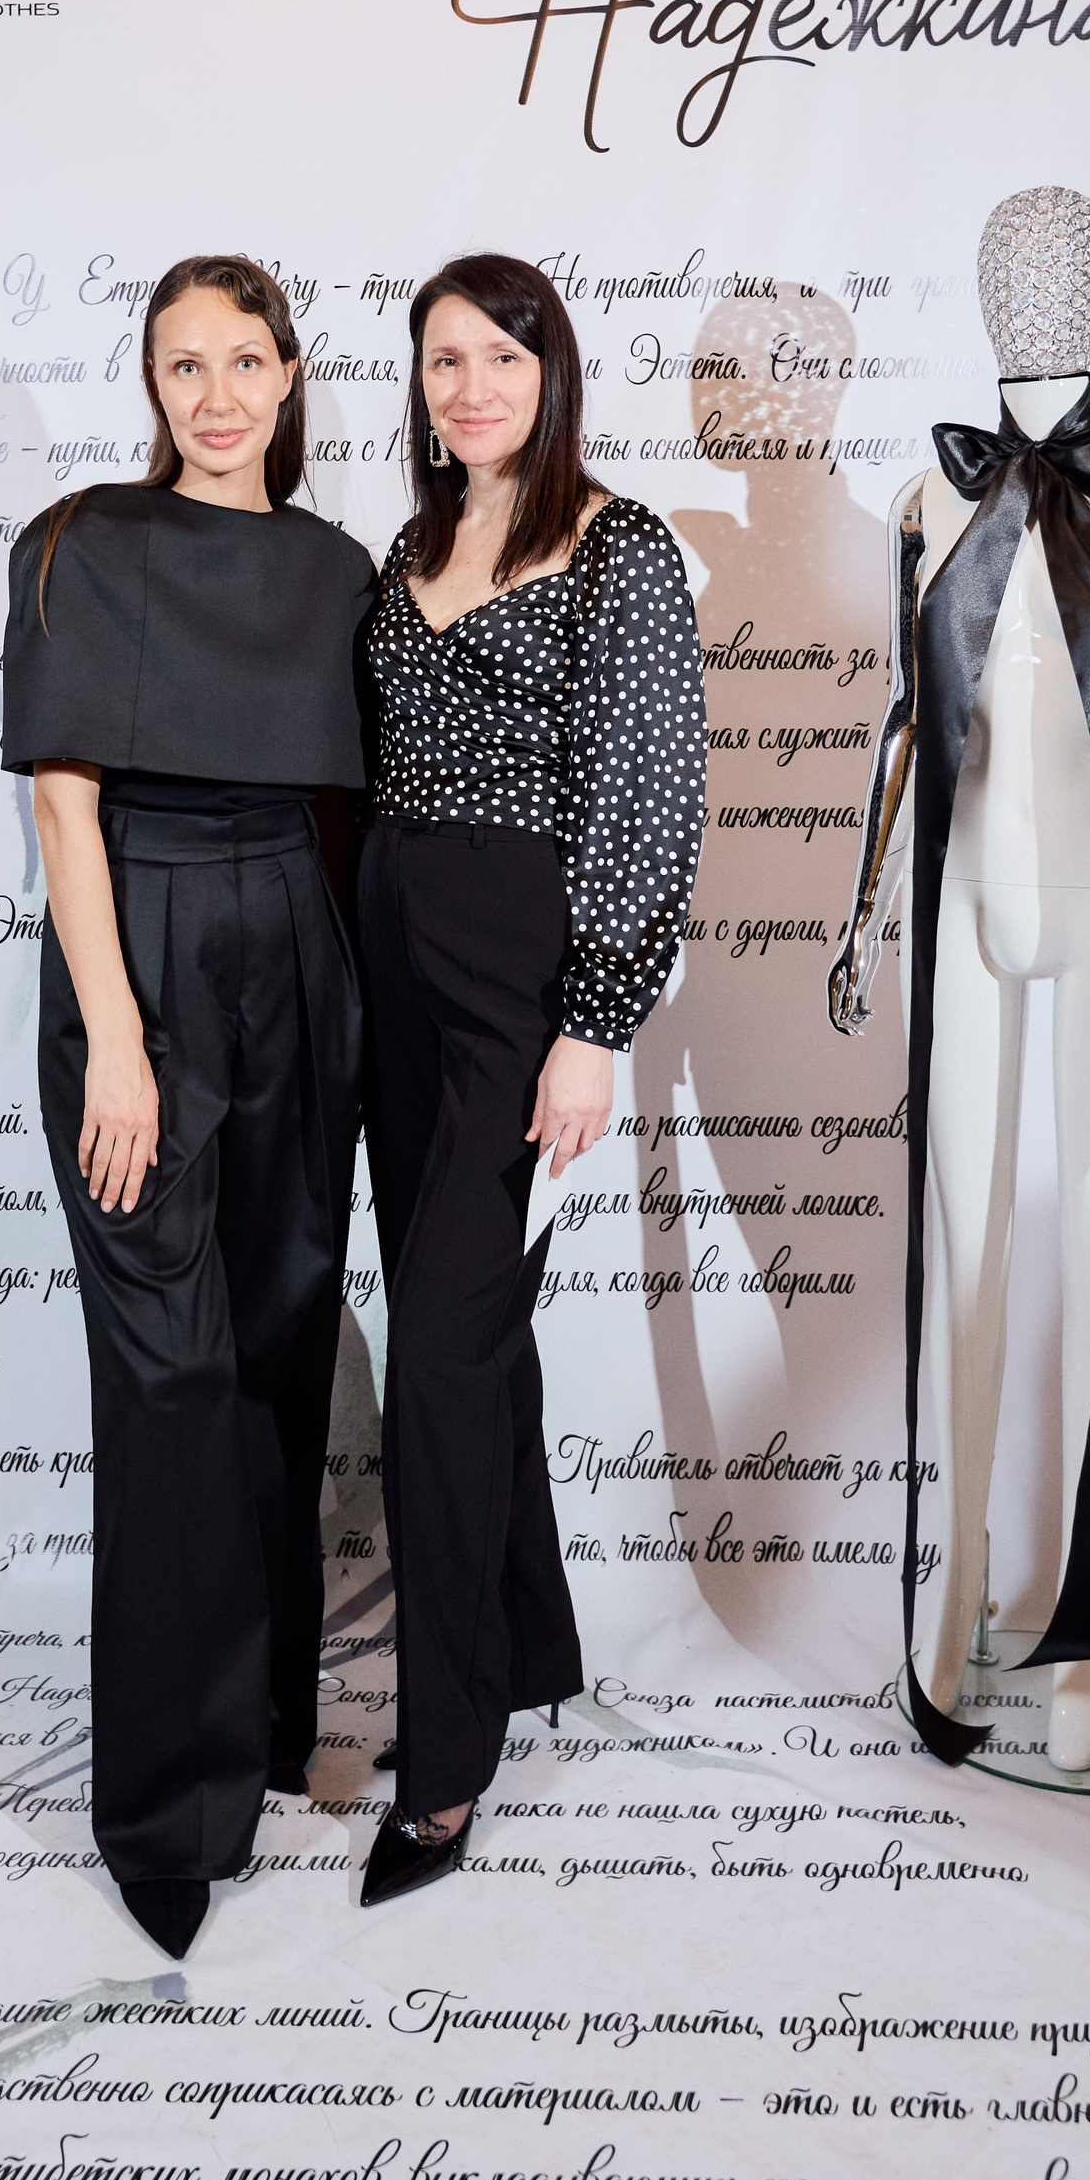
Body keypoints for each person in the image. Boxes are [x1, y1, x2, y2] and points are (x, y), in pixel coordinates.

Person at [1, 255, 374, 1961]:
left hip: (297, 952)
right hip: (134, 961)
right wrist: (120, 1043)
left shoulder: (342, 574)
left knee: (284, 1356)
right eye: (181, 365)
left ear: (290, 378)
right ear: (149, 387)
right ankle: (165, 1809)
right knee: (168, 1385)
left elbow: (359, 817)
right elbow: (64, 813)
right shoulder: (79, 545)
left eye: (243, 360)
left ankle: (272, 1726)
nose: (215, 395)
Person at [358, 251, 706, 1907]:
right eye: (446, 361)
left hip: (521, 981)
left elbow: (650, 795)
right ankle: (526, 1648)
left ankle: (443, 1768)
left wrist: (595, 1024)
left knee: (437, 1353)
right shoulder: (407, 546)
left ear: (553, 373)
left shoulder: (621, 548)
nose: (473, 386)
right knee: (472, 1348)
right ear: (421, 389)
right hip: (386, 963)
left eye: (503, 356)